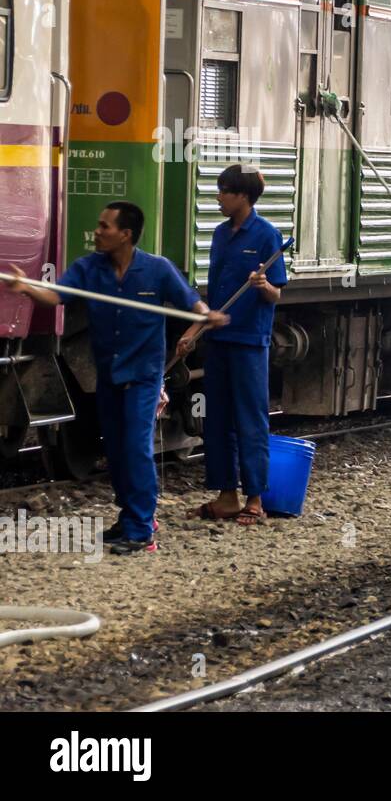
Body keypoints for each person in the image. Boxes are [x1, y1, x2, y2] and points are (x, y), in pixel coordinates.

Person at [4, 203, 227, 554]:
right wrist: (25, 287)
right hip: (108, 373)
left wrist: (206, 315)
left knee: (136, 448)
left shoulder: (158, 270)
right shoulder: (88, 269)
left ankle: (141, 530)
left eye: (104, 226)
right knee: (117, 449)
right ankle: (130, 517)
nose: (97, 231)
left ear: (125, 234)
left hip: (144, 375)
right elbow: (54, 296)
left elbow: (190, 302)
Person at [182, 165, 288, 525]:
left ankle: (255, 498)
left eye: (224, 191)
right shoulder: (219, 235)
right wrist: (194, 330)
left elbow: (276, 295)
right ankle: (226, 496)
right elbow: (213, 294)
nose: (218, 197)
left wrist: (263, 287)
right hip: (219, 339)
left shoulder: (267, 235)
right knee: (216, 419)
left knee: (250, 420)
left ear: (242, 196)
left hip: (249, 342)